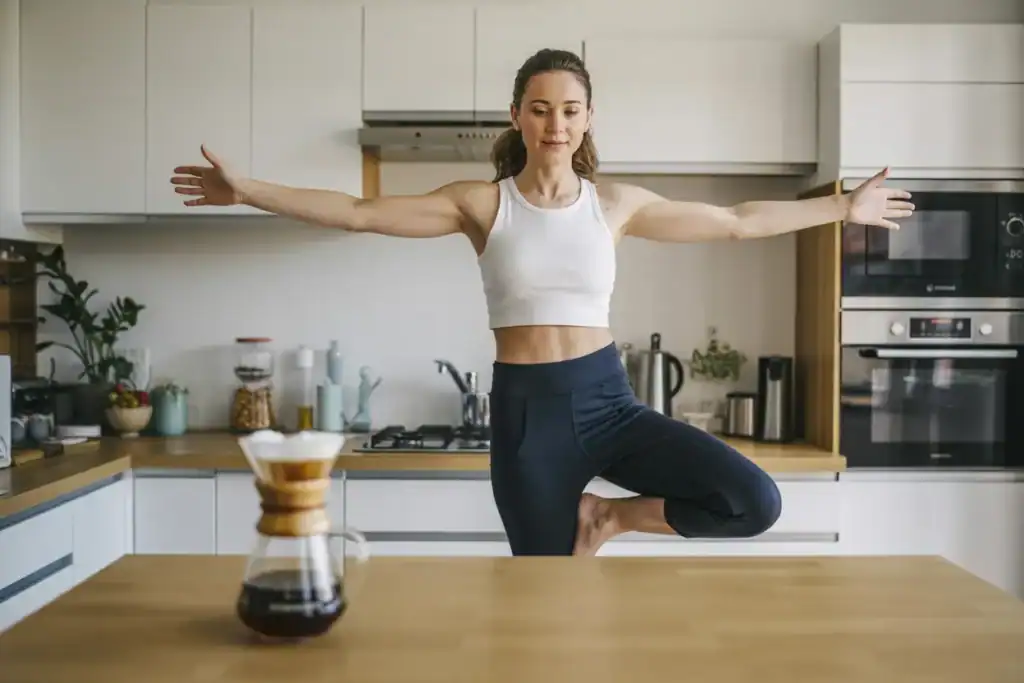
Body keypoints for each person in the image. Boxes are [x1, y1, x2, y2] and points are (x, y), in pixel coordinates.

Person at [170, 48, 914, 557]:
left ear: (587, 118)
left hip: (608, 402)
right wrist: (250, 191)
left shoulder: (615, 204)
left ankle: (608, 517)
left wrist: (845, 206)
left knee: (753, 499)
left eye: (569, 109)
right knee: (546, 595)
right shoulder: (480, 204)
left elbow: (735, 222)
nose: (555, 123)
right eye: (539, 108)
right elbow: (358, 212)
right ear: (518, 117)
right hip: (527, 420)